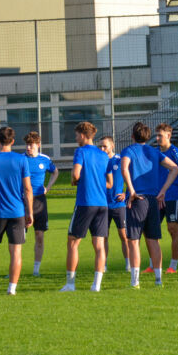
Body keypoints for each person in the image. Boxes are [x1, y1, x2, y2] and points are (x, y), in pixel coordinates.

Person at [121, 122, 178, 289]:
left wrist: (131, 190)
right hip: (153, 200)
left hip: (137, 200)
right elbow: (175, 168)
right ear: (148, 137)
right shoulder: (154, 152)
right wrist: (163, 190)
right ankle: (158, 280)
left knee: (133, 241)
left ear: (132, 136)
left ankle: (135, 282)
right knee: (153, 240)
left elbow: (124, 168)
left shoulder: (129, 150)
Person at [0, 127, 33, 295]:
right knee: (16, 251)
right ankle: (12, 289)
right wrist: (30, 212)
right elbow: (28, 189)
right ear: (13, 141)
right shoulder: (21, 160)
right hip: (17, 212)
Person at [60, 122, 112, 292]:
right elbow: (110, 183)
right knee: (99, 245)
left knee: (73, 243)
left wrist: (75, 180)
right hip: (102, 204)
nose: (76, 138)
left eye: (76, 135)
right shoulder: (104, 155)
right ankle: (96, 285)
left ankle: (70, 284)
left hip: (85, 203)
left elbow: (76, 174)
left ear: (83, 135)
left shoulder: (80, 151)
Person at [141, 123, 178, 275]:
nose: (157, 138)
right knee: (149, 230)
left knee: (172, 229)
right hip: (157, 197)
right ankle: (153, 264)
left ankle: (173, 266)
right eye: (156, 135)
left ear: (168, 135)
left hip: (173, 196)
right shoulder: (155, 152)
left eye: (160, 135)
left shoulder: (175, 152)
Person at [23, 131, 58, 277]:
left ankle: (36, 270)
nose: (28, 148)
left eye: (31, 145)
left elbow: (55, 172)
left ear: (38, 145)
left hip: (39, 202)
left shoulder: (45, 159)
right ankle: (14, 269)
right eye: (27, 145)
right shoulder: (21, 159)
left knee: (39, 235)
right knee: (18, 238)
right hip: (23, 201)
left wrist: (47, 188)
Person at [99, 136, 129, 271]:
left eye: (104, 146)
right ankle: (103, 265)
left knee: (124, 236)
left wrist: (126, 194)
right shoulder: (99, 161)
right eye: (100, 146)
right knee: (103, 237)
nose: (102, 149)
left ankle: (128, 264)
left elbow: (132, 177)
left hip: (118, 205)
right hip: (103, 205)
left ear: (112, 146)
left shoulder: (120, 160)